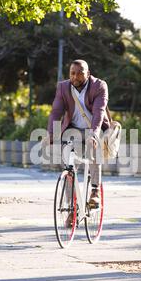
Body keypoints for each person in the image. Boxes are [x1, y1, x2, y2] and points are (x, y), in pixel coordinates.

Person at [47, 59, 110, 214]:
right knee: (69, 169)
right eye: (72, 73)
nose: (75, 77)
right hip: (72, 130)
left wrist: (94, 134)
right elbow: (56, 112)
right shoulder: (63, 87)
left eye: (80, 73)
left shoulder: (99, 86)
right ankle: (71, 209)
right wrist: (51, 134)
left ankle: (95, 191)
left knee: (93, 146)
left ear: (88, 73)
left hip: (94, 128)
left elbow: (99, 112)